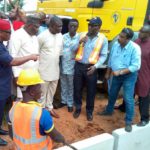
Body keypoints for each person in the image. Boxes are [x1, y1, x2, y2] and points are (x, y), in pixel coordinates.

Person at [0, 19, 38, 146]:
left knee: (1, 111)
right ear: (0, 32)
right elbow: (12, 61)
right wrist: (30, 56)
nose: (10, 35)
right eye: (8, 32)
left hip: (4, 84)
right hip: (1, 85)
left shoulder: (2, 44)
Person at [8, 69, 65, 149]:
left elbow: (11, 134)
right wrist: (62, 140)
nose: (41, 91)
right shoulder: (42, 114)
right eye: (39, 87)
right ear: (32, 92)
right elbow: (56, 137)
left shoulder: (12, 110)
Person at [98, 28, 141, 132]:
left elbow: (136, 66)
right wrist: (108, 72)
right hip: (116, 74)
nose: (119, 38)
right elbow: (111, 60)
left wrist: (121, 72)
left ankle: (128, 121)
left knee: (127, 98)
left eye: (122, 37)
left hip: (129, 76)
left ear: (128, 39)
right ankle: (109, 110)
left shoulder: (135, 48)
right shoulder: (116, 45)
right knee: (112, 93)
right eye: (119, 35)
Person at [73, 17, 108, 121]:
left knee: (91, 91)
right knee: (77, 89)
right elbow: (72, 49)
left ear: (99, 27)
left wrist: (95, 66)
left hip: (91, 68)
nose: (91, 27)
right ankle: (78, 108)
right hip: (79, 66)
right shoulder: (81, 35)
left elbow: (103, 55)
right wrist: (79, 42)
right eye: (90, 25)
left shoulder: (103, 39)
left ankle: (89, 112)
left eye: (94, 25)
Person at [9, 15, 40, 100]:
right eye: (37, 27)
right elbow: (12, 57)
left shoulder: (34, 36)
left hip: (33, 75)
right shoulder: (17, 36)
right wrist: (16, 76)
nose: (38, 30)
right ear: (29, 26)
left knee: (30, 100)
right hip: (21, 76)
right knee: (21, 100)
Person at [38, 15, 63, 118]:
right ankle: (41, 111)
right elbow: (36, 53)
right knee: (42, 93)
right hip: (43, 70)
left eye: (61, 26)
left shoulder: (60, 36)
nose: (60, 28)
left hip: (55, 70)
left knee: (52, 91)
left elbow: (60, 53)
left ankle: (49, 108)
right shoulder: (42, 36)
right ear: (51, 26)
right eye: (58, 26)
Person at [57, 19, 79, 112]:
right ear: (68, 26)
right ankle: (63, 101)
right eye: (71, 26)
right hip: (63, 64)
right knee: (63, 84)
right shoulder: (63, 36)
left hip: (73, 65)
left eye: (75, 26)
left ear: (77, 27)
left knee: (71, 85)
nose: (72, 28)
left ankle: (70, 103)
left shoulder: (79, 38)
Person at [135, 25, 150, 127]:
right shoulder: (136, 42)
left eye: (142, 31)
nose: (139, 32)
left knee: (143, 96)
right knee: (129, 91)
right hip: (133, 72)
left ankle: (144, 118)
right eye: (140, 30)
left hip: (145, 74)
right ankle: (124, 107)